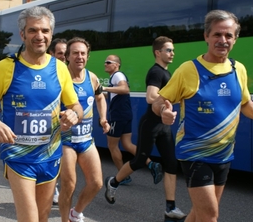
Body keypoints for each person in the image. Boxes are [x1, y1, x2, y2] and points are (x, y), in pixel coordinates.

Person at [0, 6, 83, 222]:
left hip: (50, 155)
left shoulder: (60, 68)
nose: (39, 36)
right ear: (23, 34)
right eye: (33, 30)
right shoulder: (7, 67)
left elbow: (76, 106)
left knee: (43, 217)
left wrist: (74, 115)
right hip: (18, 156)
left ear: (51, 35)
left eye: (45, 31)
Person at [152, 10, 253, 222]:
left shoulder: (239, 69)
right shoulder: (188, 69)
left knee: (200, 213)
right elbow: (158, 101)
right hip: (194, 153)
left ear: (235, 39)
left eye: (228, 36)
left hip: (224, 153)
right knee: (210, 215)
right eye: (217, 35)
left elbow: (245, 105)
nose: (222, 40)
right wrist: (164, 112)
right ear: (206, 37)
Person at [104, 37, 186, 220]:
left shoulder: (166, 72)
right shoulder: (156, 72)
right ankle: (113, 181)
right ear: (158, 53)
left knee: (171, 164)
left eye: (172, 50)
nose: (172, 53)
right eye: (168, 50)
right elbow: (150, 97)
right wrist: (165, 104)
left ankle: (170, 207)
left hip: (163, 126)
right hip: (150, 124)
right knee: (139, 161)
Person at [58, 37, 110, 222]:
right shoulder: (60, 78)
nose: (79, 56)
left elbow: (100, 97)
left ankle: (76, 212)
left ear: (87, 56)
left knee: (96, 183)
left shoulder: (92, 77)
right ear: (67, 57)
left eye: (83, 53)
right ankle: (65, 219)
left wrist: (103, 118)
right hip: (65, 141)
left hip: (86, 140)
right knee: (69, 185)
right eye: (75, 53)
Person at [103, 55, 159, 185]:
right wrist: (99, 94)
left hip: (117, 116)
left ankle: (123, 176)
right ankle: (151, 164)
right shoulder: (114, 77)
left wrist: (104, 88)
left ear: (116, 65)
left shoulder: (117, 75)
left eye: (108, 62)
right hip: (125, 115)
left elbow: (125, 89)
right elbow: (115, 94)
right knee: (127, 144)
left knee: (112, 146)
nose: (105, 64)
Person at [48, 37, 68, 205]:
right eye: (60, 53)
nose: (64, 56)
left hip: (67, 127)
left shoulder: (68, 72)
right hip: (49, 127)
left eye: (65, 54)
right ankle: (53, 187)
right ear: (51, 54)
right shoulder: (46, 73)